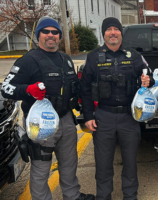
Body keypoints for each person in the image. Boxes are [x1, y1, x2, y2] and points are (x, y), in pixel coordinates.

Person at [0, 16, 95, 200]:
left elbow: (74, 86)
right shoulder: (27, 61)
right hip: (40, 123)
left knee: (69, 163)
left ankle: (72, 195)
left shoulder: (66, 59)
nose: (51, 35)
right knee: (41, 167)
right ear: (38, 36)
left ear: (59, 36)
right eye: (46, 31)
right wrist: (28, 90)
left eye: (55, 32)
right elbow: (6, 88)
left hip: (66, 119)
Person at [80, 17, 154, 200]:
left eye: (116, 29)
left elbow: (149, 76)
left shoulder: (134, 55)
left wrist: (148, 80)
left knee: (130, 162)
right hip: (103, 116)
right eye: (109, 29)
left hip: (129, 117)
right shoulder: (93, 56)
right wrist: (88, 115)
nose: (113, 32)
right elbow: (85, 88)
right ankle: (104, 196)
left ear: (121, 33)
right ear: (104, 33)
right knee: (103, 163)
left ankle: (130, 196)